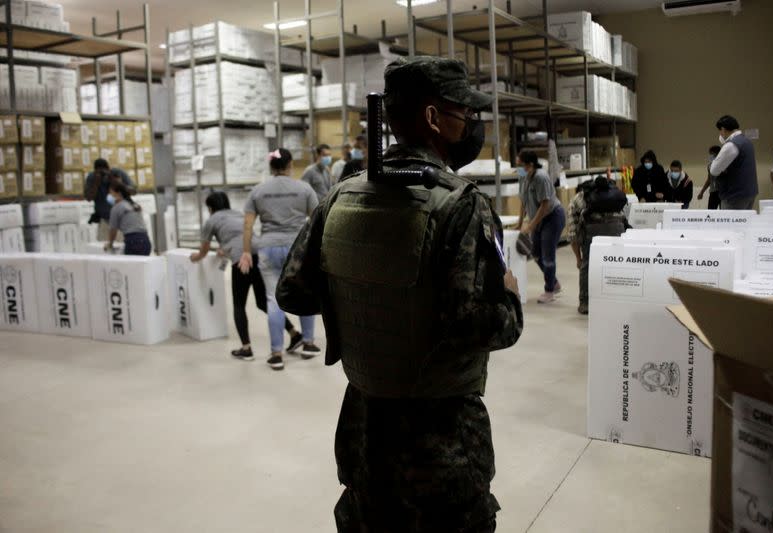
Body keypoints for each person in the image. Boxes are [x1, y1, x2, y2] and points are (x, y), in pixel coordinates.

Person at [276, 56, 523, 532]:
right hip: (442, 448)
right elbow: (476, 325)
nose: (472, 124)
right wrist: (510, 297)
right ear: (433, 118)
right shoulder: (462, 205)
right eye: (464, 113)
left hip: (364, 439)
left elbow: (294, 293)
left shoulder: (340, 197)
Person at [190, 191, 303, 361]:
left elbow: (203, 251)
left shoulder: (212, 220)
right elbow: (238, 236)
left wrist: (194, 258)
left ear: (210, 207)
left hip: (242, 260)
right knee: (264, 302)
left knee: (239, 305)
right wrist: (224, 249)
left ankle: (246, 348)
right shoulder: (237, 214)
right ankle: (295, 334)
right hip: (260, 254)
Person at [238, 149, 320, 370]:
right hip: (298, 248)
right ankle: (309, 343)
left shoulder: (258, 191)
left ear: (271, 167)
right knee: (305, 292)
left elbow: (247, 225)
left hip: (268, 248)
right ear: (290, 164)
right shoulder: (304, 188)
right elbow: (316, 222)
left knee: (273, 299)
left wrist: (246, 251)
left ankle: (276, 354)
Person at [569, 177, 628, 315]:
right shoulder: (613, 194)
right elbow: (624, 217)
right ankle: (616, 299)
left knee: (587, 265)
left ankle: (585, 304)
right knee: (616, 264)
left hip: (593, 230)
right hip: (617, 228)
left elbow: (573, 233)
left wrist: (579, 259)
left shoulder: (577, 199)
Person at [517, 149, 566, 304]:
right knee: (535, 253)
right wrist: (519, 224)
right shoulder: (523, 176)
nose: (518, 168)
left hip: (552, 217)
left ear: (530, 165)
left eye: (521, 165)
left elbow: (545, 206)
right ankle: (554, 282)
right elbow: (523, 201)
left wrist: (530, 226)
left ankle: (549, 291)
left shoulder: (541, 177)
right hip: (538, 219)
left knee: (547, 256)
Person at [709, 115, 758, 210]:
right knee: (744, 223)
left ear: (723, 129)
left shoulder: (731, 145)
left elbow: (714, 170)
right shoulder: (747, 141)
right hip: (749, 193)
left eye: (720, 131)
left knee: (730, 225)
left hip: (734, 195)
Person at [83, 158, 136, 241]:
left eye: (104, 172)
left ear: (108, 169)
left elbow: (134, 191)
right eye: (99, 172)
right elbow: (88, 198)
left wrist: (118, 183)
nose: (103, 175)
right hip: (104, 219)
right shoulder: (92, 177)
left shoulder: (117, 173)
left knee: (121, 247)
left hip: (122, 220)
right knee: (104, 248)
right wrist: (96, 184)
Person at [106, 181, 151, 256]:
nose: (109, 196)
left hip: (133, 242)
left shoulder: (117, 208)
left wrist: (110, 244)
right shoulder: (134, 205)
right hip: (146, 241)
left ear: (118, 193)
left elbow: (113, 230)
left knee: (132, 267)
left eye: (111, 193)